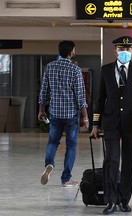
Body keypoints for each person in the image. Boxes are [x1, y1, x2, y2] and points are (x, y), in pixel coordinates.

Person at [90, 36, 132, 215]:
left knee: (129, 162)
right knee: (112, 160)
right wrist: (95, 124)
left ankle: (124, 200)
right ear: (115, 51)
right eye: (121, 49)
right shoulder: (107, 70)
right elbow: (100, 100)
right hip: (110, 122)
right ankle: (110, 201)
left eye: (128, 49)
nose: (125, 52)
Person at [38, 40, 89, 187]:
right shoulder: (75, 70)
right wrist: (85, 116)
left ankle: (49, 164)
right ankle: (66, 179)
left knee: (53, 142)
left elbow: (44, 91)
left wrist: (42, 110)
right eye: (74, 50)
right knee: (71, 146)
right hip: (71, 115)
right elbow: (80, 96)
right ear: (70, 52)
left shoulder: (50, 67)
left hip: (54, 113)